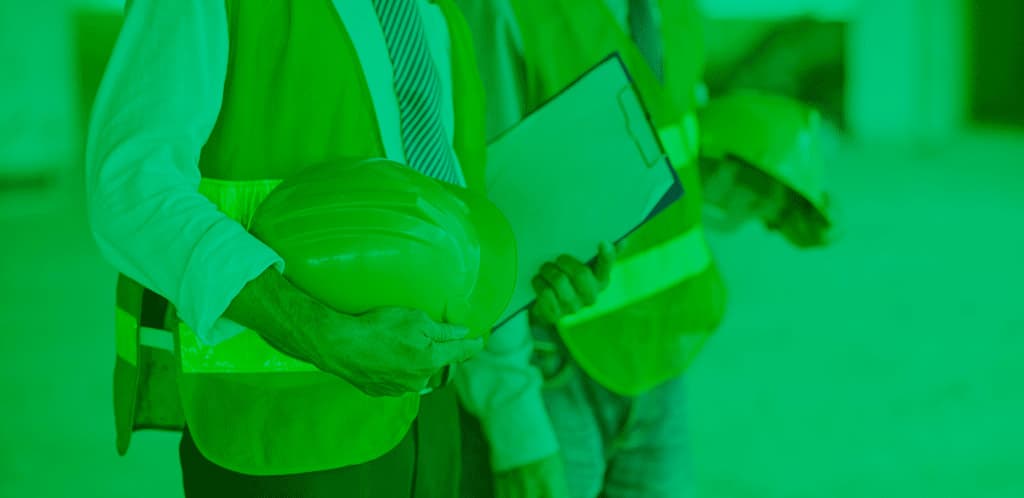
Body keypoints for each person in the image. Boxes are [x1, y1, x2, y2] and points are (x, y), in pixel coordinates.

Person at [85, 0, 523, 496]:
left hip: (434, 418)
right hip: (283, 434)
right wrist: (323, 333)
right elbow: (131, 188)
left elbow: (451, 228)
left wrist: (541, 284)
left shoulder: (437, 13)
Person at [454, 1, 831, 497]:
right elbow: (480, 232)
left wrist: (742, 178)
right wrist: (517, 431)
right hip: (550, 371)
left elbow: (657, 142)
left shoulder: (676, 10)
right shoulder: (505, 11)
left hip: (659, 361)